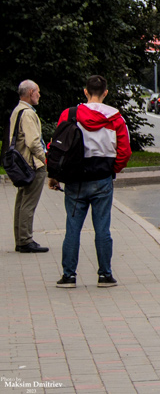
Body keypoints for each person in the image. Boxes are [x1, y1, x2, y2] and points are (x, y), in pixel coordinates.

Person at [50, 75, 132, 289]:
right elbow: (124, 151)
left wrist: (55, 175)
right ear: (105, 92)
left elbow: (57, 147)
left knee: (72, 228)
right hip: (102, 178)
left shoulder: (69, 115)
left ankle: (68, 276)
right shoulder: (115, 118)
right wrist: (112, 170)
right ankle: (105, 275)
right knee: (103, 228)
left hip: (75, 180)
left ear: (85, 92)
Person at [9, 80, 48, 253]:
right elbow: (33, 142)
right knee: (28, 203)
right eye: (38, 91)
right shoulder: (28, 113)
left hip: (21, 164)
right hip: (32, 164)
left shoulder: (17, 110)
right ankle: (25, 240)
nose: (39, 95)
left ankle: (20, 238)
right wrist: (45, 159)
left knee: (21, 201)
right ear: (31, 92)